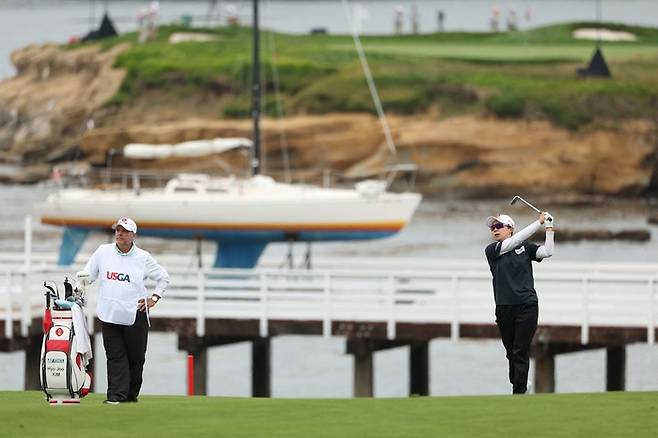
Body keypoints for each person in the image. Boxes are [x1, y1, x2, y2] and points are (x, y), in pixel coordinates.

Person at [78, 217, 169, 404]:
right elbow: (89, 274)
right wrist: (79, 286)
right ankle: (115, 396)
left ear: (133, 235)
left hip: (136, 314)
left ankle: (130, 395)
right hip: (109, 314)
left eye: (125, 230)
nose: (119, 233)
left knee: (136, 359)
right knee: (115, 356)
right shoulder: (103, 252)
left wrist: (154, 298)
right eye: (117, 230)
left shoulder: (143, 257)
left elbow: (163, 278)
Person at [484, 211, 554, 394]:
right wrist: (537, 222)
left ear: (510, 229)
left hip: (527, 305)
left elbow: (547, 251)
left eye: (499, 226)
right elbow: (515, 241)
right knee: (511, 353)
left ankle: (519, 392)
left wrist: (549, 228)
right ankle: (520, 383)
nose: (494, 230)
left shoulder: (525, 248)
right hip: (504, 307)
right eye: (492, 227)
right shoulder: (492, 251)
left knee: (520, 350)